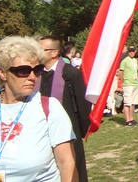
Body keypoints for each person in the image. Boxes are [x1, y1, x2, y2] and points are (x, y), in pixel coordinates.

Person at [0, 36, 76, 180]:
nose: (32, 77)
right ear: (3, 73)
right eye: (23, 70)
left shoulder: (49, 108)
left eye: (37, 70)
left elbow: (67, 163)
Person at [38, 35, 92, 181]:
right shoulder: (36, 74)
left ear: (54, 52)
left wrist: (81, 129)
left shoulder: (70, 73)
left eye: (40, 49)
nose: (36, 52)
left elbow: (83, 103)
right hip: (43, 130)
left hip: (69, 130)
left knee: (73, 167)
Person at [120, 46, 138, 126]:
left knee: (133, 102)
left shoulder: (135, 60)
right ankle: (127, 120)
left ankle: (131, 118)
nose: (131, 52)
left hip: (135, 83)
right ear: (128, 52)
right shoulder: (124, 61)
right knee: (127, 102)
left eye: (133, 51)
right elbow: (121, 72)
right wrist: (123, 81)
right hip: (128, 84)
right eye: (130, 51)